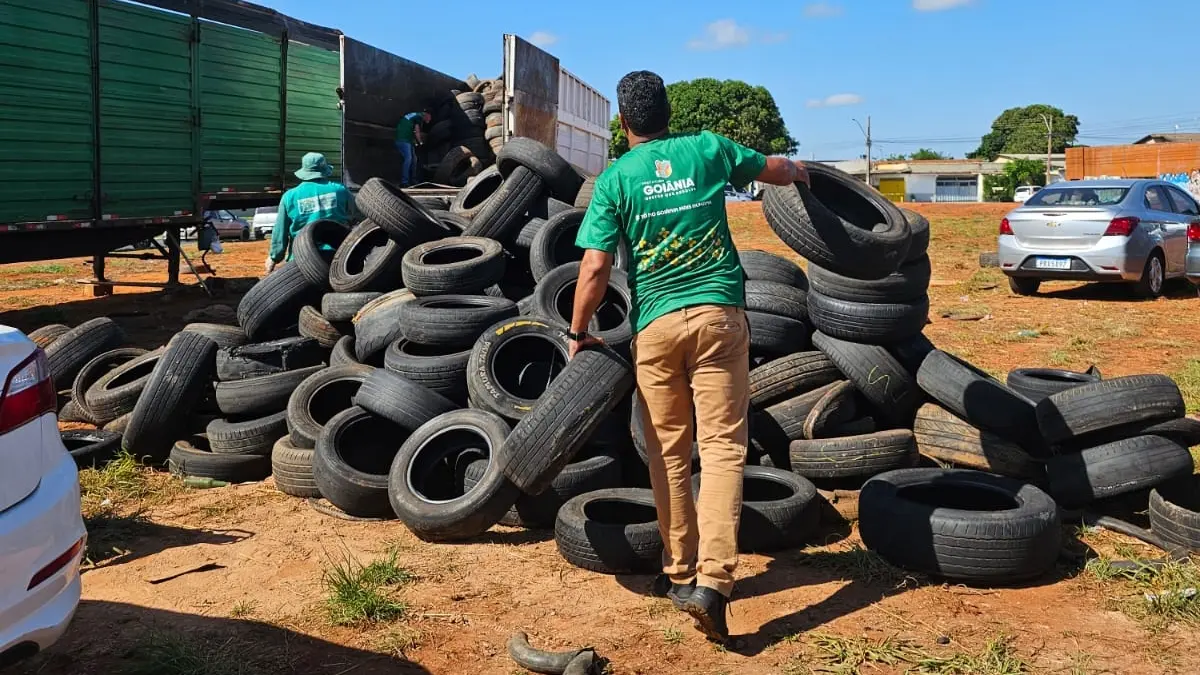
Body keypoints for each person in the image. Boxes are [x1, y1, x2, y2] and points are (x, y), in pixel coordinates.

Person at [569, 70, 810, 645]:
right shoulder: (708, 148)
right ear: (668, 113)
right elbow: (773, 169)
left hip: (654, 329)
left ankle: (679, 573)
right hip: (718, 318)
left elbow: (595, 269)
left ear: (623, 122)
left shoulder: (614, 180)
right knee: (724, 448)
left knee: (668, 451)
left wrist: (577, 331)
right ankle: (714, 583)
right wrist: (799, 169)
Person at [265, 152, 353, 274]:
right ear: (325, 170)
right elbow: (358, 216)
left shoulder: (289, 196)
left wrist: (274, 257)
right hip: (338, 256)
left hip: (301, 259)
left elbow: (281, 231)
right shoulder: (340, 190)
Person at [396, 109, 432, 187]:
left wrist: (415, 143)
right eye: (430, 117)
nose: (430, 120)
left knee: (414, 159)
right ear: (426, 115)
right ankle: (404, 182)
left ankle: (413, 180)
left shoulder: (413, 115)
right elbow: (417, 131)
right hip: (404, 140)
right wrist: (421, 143)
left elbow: (410, 130)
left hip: (405, 140)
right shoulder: (418, 117)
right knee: (408, 159)